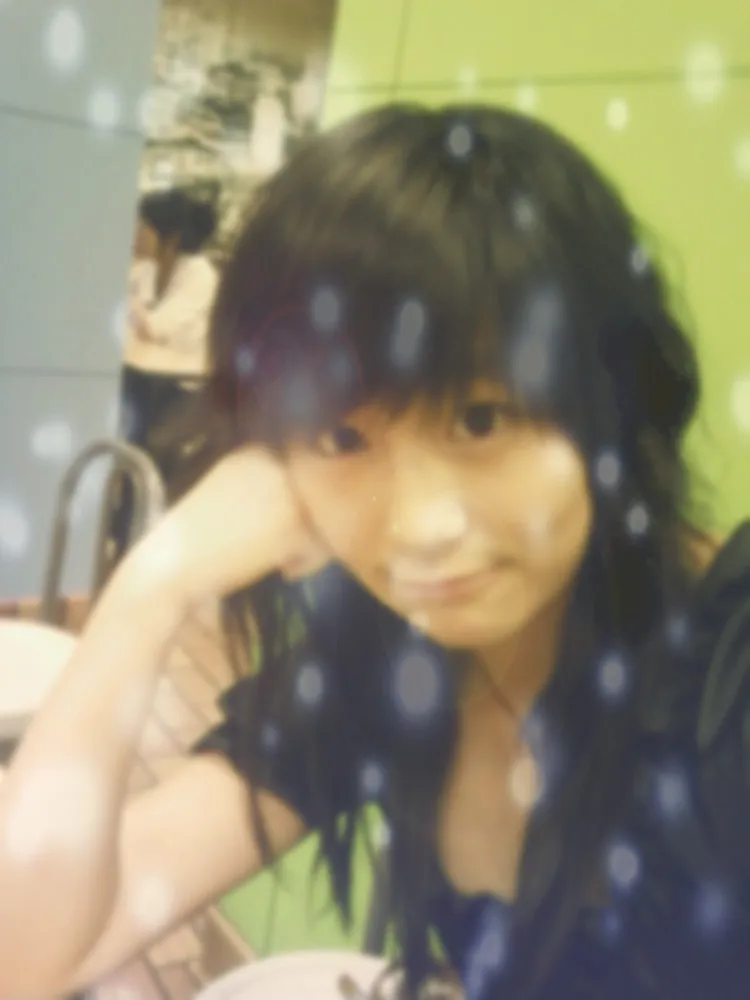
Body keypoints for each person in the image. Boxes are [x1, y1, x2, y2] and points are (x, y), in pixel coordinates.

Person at [0, 103, 748, 1000]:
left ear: (615, 405)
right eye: (342, 438)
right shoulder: (386, 666)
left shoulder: (726, 687)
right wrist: (149, 589)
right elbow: (25, 954)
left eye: (481, 418)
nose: (421, 527)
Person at [111, 188, 220, 552]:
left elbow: (153, 328)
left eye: (144, 226)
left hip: (183, 388)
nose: (135, 232)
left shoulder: (200, 275)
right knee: (124, 440)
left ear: (170, 237)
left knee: (153, 452)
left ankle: (142, 535)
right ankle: (122, 527)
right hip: (144, 377)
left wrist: (126, 297)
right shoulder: (145, 269)